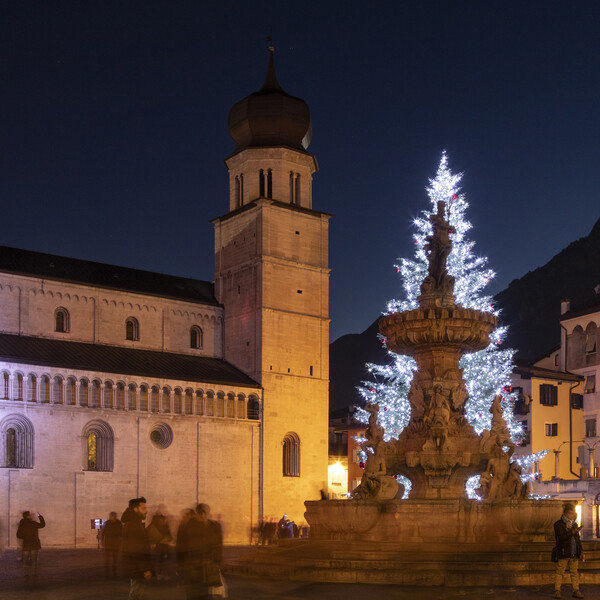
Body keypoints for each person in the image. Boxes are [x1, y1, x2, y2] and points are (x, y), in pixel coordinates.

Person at [176, 503, 223, 600]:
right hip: (192, 568)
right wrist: (181, 565)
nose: (203, 515)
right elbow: (180, 548)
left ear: (208, 513)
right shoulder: (187, 526)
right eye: (200, 513)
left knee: (206, 594)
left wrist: (217, 563)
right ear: (196, 513)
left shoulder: (214, 526)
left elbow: (218, 547)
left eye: (204, 513)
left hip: (207, 568)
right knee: (192, 594)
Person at [122, 497, 152, 599]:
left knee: (136, 593)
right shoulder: (134, 525)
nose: (146, 511)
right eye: (143, 508)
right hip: (137, 568)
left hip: (135, 567)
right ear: (135, 509)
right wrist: (145, 569)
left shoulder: (132, 523)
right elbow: (136, 550)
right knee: (136, 595)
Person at [554, 503, 584, 599]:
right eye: (570, 513)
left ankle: (576, 590)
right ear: (565, 513)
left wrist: (581, 551)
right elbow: (561, 538)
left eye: (573, 513)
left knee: (574, 572)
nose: (572, 515)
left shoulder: (574, 524)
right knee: (560, 572)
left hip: (574, 552)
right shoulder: (558, 524)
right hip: (563, 552)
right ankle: (557, 591)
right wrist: (571, 531)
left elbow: (577, 539)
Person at [16, 511, 45, 579]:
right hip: (34, 544)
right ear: (28, 516)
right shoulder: (33, 523)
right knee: (34, 560)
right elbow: (42, 525)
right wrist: (39, 516)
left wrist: (25, 537)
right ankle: (34, 574)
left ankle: (26, 574)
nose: (30, 516)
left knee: (25, 560)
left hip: (26, 544)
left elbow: (18, 535)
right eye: (29, 515)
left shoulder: (22, 525)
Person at [101, 511, 122, 577]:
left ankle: (114, 572)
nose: (112, 518)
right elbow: (102, 533)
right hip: (108, 544)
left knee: (114, 559)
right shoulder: (107, 523)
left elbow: (122, 533)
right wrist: (102, 542)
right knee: (107, 560)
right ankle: (107, 573)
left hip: (115, 544)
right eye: (111, 517)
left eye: (113, 517)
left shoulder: (119, 523)